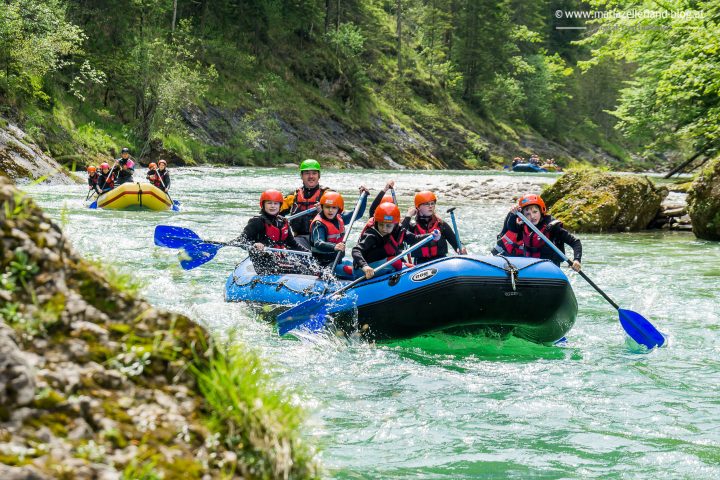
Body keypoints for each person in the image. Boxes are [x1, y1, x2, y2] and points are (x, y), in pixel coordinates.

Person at [233, 189, 315, 275]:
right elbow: (241, 240)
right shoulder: (257, 222)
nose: (273, 206)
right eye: (269, 203)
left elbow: (293, 244)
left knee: (312, 268)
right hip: (265, 264)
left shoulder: (282, 222)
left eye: (276, 203)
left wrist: (310, 253)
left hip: (281, 260)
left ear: (280, 205)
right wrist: (254, 245)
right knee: (303, 269)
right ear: (263, 204)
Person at [352, 202, 440, 279]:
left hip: (383, 264)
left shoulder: (399, 230)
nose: (384, 229)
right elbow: (356, 250)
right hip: (365, 270)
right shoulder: (371, 234)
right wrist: (365, 267)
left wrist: (431, 235)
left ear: (395, 225)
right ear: (376, 223)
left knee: (411, 267)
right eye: (381, 225)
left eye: (388, 226)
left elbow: (414, 238)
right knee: (397, 262)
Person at [496, 194, 582, 271]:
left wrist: (577, 260)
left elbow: (575, 242)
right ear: (523, 215)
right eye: (527, 214)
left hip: (549, 268)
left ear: (541, 211)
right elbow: (511, 227)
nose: (532, 216)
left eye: (535, 212)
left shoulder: (552, 227)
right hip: (529, 266)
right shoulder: (523, 226)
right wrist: (513, 214)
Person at [401, 191, 467, 264]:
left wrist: (461, 248)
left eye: (432, 203)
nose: (430, 206)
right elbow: (399, 236)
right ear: (418, 207)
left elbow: (456, 243)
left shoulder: (441, 224)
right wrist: (408, 216)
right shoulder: (413, 226)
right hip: (420, 264)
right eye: (426, 204)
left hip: (440, 262)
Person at [309, 191, 367, 271]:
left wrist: (364, 196)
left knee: (359, 267)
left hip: (337, 261)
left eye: (334, 207)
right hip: (323, 265)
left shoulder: (340, 218)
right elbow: (318, 242)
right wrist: (334, 246)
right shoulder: (319, 224)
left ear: (338, 209)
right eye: (327, 207)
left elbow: (357, 213)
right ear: (322, 207)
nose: (330, 210)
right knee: (354, 271)